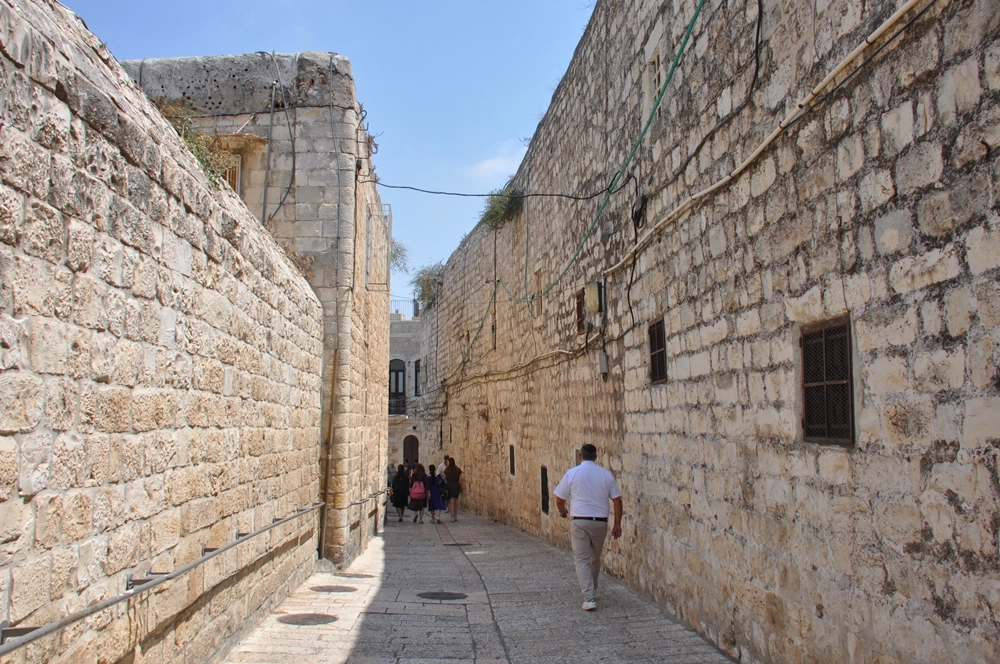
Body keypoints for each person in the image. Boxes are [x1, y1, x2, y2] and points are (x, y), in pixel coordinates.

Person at [553, 444, 622, 611]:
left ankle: (589, 596)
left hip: (580, 521)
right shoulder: (605, 475)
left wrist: (562, 511)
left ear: (580, 457)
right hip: (600, 522)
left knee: (581, 558)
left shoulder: (572, 473)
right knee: (595, 558)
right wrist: (617, 524)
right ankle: (592, 589)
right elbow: (617, 501)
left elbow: (560, 499)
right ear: (596, 457)